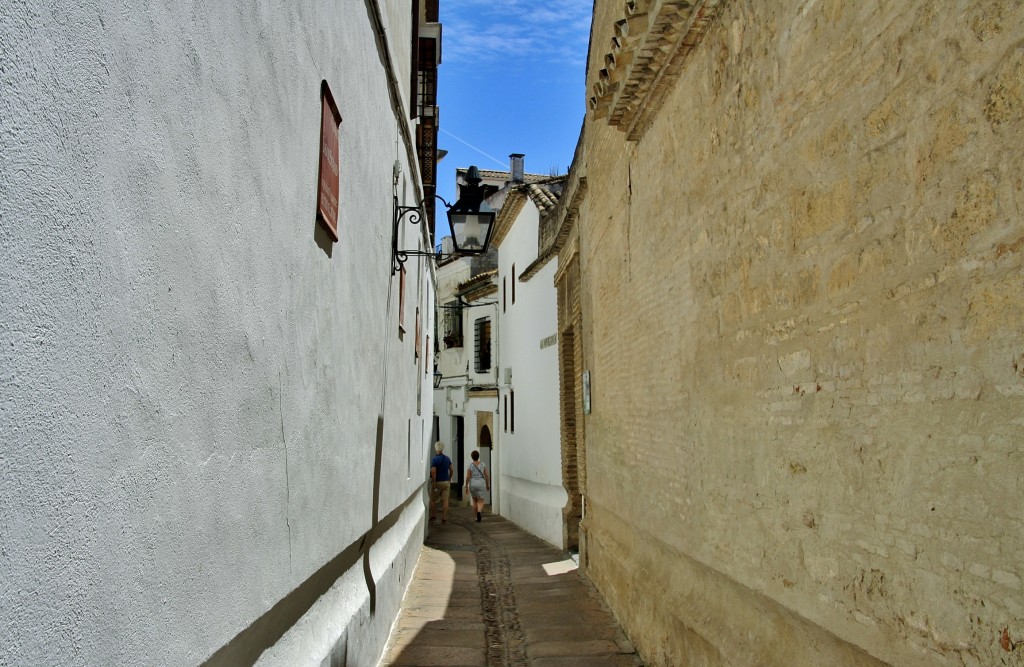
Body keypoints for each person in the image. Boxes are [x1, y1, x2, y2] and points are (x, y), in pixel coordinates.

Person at [429, 441, 454, 524]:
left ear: (435, 449)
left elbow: (433, 472)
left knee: (432, 499)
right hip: (446, 482)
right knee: (445, 500)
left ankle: (433, 515)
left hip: (438, 482)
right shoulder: (447, 458)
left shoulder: (434, 459)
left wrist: (434, 483)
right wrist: (449, 478)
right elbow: (451, 469)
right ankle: (444, 517)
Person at [465, 450, 490, 522]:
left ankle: (476, 517)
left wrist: (466, 486)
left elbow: (468, 477)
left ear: (472, 457)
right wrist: (487, 484)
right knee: (481, 500)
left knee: (474, 500)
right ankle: (479, 511)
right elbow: (486, 475)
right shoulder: (483, 464)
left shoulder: (470, 465)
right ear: (478, 456)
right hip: (481, 484)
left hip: (473, 484)